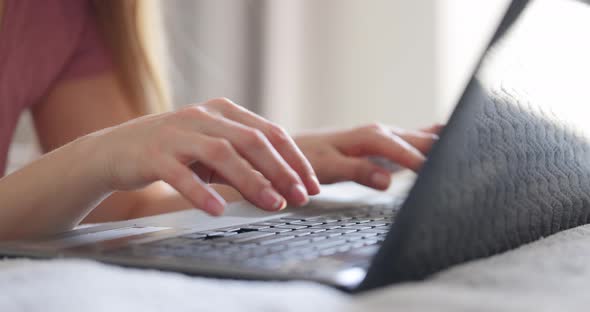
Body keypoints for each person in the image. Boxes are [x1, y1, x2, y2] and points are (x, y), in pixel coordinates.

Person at [0, 0, 440, 240]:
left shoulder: (61, 11)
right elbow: (101, 167)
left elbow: (120, 207)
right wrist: (101, 152)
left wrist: (269, 162)